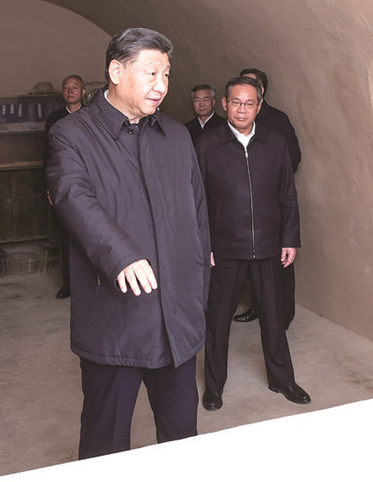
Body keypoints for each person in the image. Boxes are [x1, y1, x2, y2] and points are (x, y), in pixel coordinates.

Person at [45, 28, 211, 459]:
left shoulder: (175, 135)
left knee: (182, 439)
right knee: (106, 445)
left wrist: (197, 292)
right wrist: (120, 254)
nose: (161, 85)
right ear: (116, 72)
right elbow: (72, 197)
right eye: (151, 72)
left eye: (166, 74)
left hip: (176, 321)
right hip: (115, 322)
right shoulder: (72, 134)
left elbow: (197, 213)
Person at [195, 75, 310, 411]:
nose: (242, 109)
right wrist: (205, 243)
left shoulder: (275, 143)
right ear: (224, 104)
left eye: (249, 103)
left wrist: (289, 238)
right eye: (236, 102)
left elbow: (287, 194)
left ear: (259, 106)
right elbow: (195, 199)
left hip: (269, 246)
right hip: (224, 249)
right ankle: (214, 386)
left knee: (273, 317)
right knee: (218, 321)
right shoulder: (207, 144)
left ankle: (282, 379)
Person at [232, 67, 302, 326]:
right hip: (242, 209)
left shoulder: (277, 120)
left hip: (271, 205)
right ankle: (257, 307)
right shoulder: (232, 122)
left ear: (262, 91)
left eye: (251, 84)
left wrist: (266, 183)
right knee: (252, 267)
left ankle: (283, 315)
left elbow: (292, 158)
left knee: (280, 265)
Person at [44, 74, 86, 299]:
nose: (70, 91)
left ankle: (91, 283)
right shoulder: (55, 119)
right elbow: (48, 156)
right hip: (63, 185)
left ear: (83, 92)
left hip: (89, 185)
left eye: (75, 87)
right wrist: (50, 189)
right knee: (66, 236)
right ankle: (69, 283)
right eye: (66, 87)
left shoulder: (92, 117)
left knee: (90, 233)